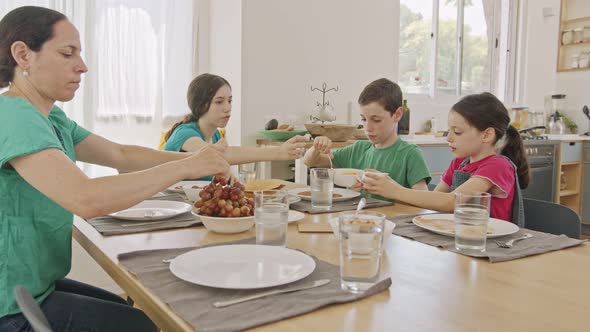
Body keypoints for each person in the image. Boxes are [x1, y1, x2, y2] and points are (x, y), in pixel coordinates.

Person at [0, 6, 231, 331]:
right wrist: (187, 166)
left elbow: (120, 153)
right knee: (141, 325)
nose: (82, 66)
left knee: (137, 311)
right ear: (23, 55)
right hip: (10, 307)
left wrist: (195, 163)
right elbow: (86, 198)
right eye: (68, 53)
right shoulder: (13, 115)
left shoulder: (50, 117)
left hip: (34, 287)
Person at [362, 92, 529, 225]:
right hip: (459, 235)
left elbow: (452, 202)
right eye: (448, 130)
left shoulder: (498, 166)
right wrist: (386, 186)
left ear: (487, 134)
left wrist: (394, 190)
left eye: (457, 132)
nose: (448, 138)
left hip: (490, 242)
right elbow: (434, 200)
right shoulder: (459, 163)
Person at [303, 78, 431, 200]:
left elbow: (425, 200)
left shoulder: (410, 154)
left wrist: (394, 190)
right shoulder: (358, 149)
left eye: (376, 120)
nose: (368, 128)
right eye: (364, 119)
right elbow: (310, 162)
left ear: (397, 115)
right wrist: (316, 147)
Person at [163, 73, 307, 180]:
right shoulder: (184, 133)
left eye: (230, 101)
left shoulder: (216, 136)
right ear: (200, 105)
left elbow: (225, 175)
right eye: (219, 102)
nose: (228, 108)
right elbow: (217, 156)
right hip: (172, 207)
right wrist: (278, 152)